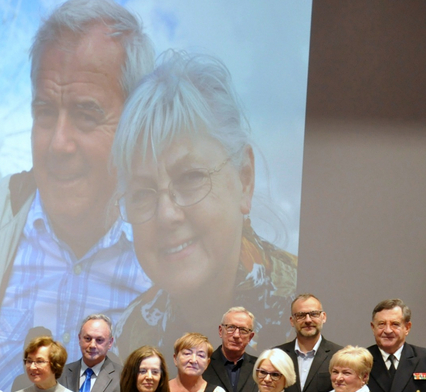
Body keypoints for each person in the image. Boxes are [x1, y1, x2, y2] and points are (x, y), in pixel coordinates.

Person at [0, 0, 155, 392]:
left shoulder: (163, 253)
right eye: (44, 112)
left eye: (85, 114)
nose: (58, 143)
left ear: (136, 123)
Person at [111, 52, 297, 355]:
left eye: (190, 178)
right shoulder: (128, 336)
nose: (166, 214)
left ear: (244, 180)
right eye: (142, 193)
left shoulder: (304, 314)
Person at [59, 314, 120, 392]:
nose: (92, 345)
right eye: (87, 338)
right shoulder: (60, 373)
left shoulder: (123, 376)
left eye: (99, 340)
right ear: (79, 339)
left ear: (110, 343)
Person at [204, 307, 259, 392]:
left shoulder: (260, 368)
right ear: (221, 331)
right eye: (231, 328)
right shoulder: (203, 364)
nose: (236, 335)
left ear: (250, 337)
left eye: (243, 330)